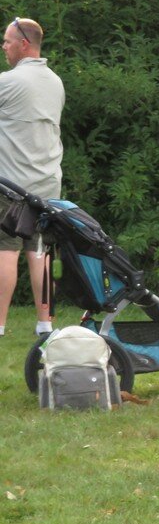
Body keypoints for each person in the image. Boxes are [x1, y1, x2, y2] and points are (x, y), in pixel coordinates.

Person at [0, 17, 64, 338]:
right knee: (40, 253)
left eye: (7, 41)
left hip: (10, 186)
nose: (4, 46)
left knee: (5, 251)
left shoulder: (8, 82)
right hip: (47, 186)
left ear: (24, 44)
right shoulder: (55, 82)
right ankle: (45, 325)